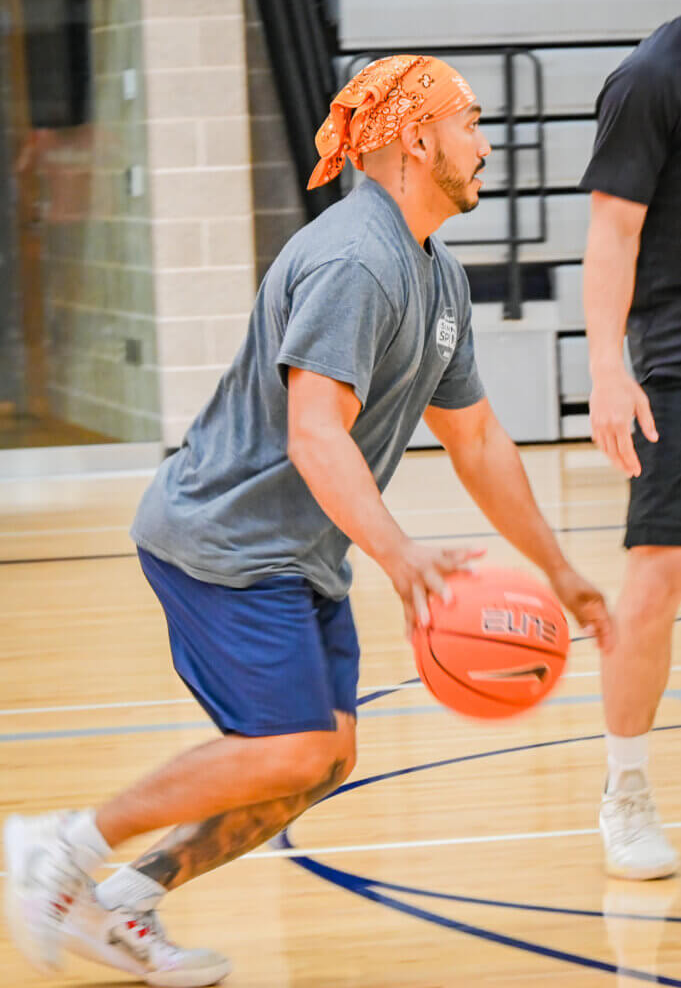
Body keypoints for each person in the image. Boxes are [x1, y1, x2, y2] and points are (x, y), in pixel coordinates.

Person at [5, 55, 612, 988]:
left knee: (322, 759)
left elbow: (478, 439)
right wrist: (400, 555)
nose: (486, 146)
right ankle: (60, 848)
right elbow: (313, 432)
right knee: (288, 745)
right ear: (417, 139)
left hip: (297, 553)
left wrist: (559, 570)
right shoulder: (354, 260)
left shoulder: (436, 276)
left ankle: (121, 901)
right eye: (469, 124)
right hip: (224, 540)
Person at [580, 17, 681, 880]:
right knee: (658, 572)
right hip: (676, 364)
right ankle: (625, 790)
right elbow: (611, 230)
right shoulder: (650, 77)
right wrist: (607, 370)